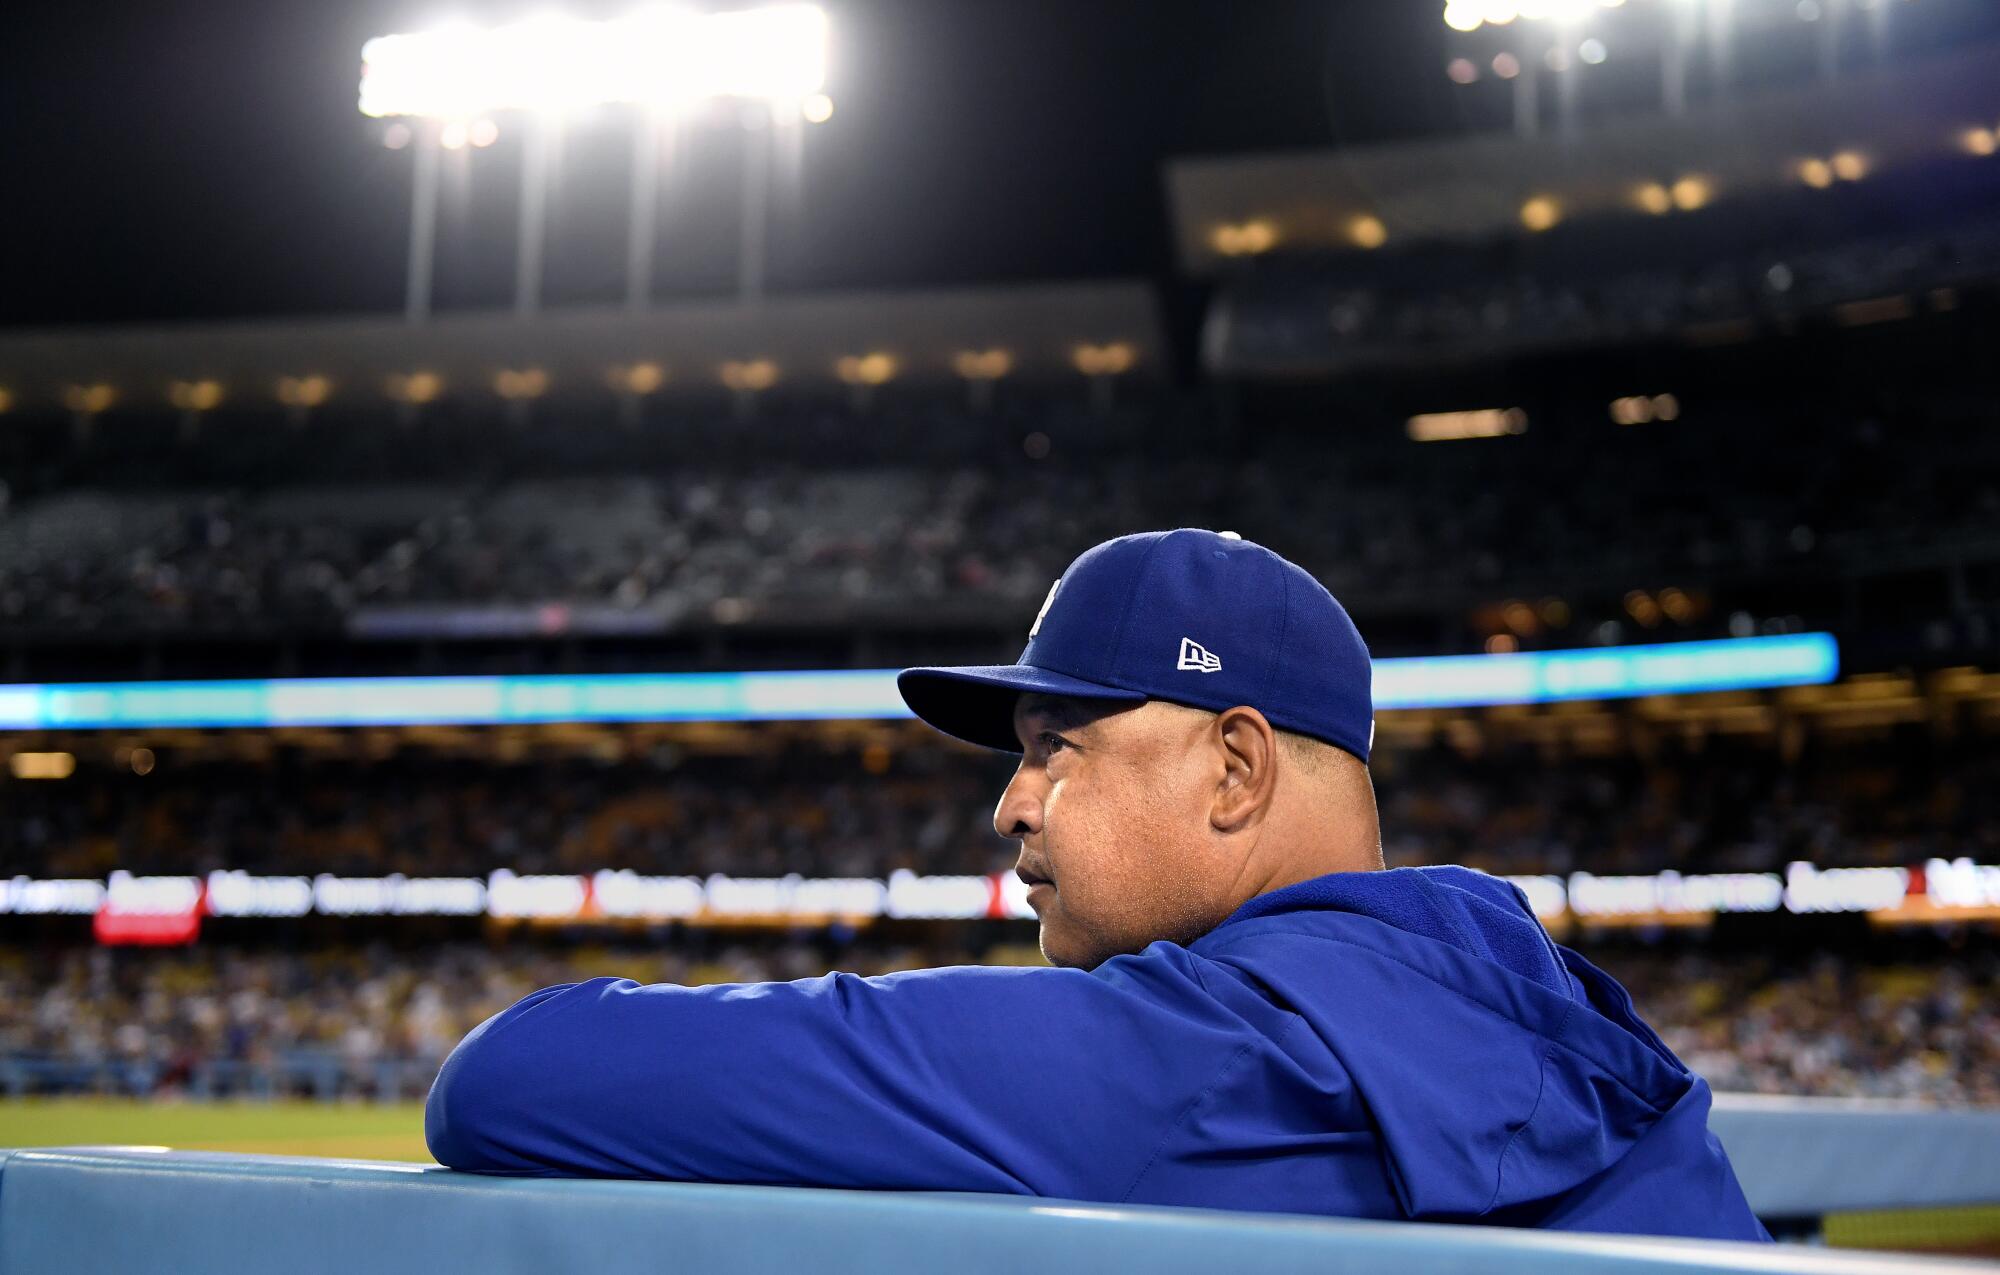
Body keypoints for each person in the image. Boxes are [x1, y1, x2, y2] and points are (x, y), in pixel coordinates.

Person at [424, 529, 1770, 1241]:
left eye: (1057, 749)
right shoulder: (1553, 1002)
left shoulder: (1197, 1059)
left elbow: (509, 1077)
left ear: (1236, 772)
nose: (1012, 801)